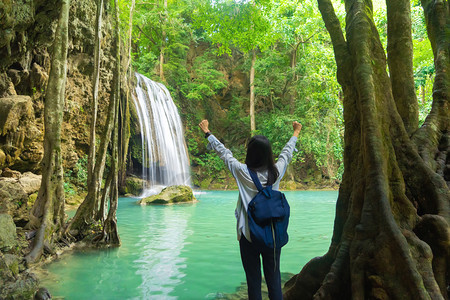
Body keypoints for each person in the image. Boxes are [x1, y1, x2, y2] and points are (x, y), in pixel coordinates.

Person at [198, 119, 302, 300]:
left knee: (253, 281)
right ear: (269, 154)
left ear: (250, 153)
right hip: (272, 236)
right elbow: (286, 154)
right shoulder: (276, 171)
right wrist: (295, 133)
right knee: (274, 280)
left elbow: (224, 153)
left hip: (248, 236)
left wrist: (208, 132)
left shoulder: (242, 171)